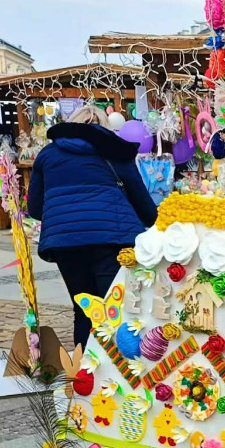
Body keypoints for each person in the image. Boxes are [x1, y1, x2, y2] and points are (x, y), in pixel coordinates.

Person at [27, 105, 158, 349]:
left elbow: (34, 208)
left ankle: (84, 368)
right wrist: (156, 224)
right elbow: (143, 203)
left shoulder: (48, 154)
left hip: (65, 243)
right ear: (105, 128)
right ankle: (116, 366)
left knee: (83, 309)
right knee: (114, 307)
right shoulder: (114, 150)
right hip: (113, 240)